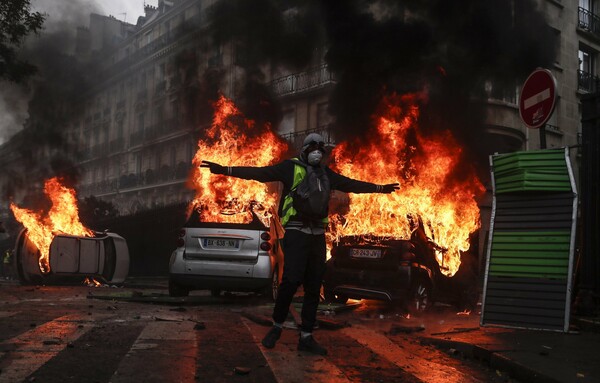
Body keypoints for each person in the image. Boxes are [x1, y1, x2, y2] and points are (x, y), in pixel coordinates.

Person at [201, 133, 399, 355]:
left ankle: (306, 336)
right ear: (304, 150)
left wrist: (380, 188)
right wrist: (225, 170)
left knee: (314, 284)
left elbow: (351, 184)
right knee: (291, 280)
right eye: (313, 147)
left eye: (320, 149)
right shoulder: (289, 168)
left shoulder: (325, 174)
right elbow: (259, 174)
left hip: (317, 235)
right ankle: (276, 326)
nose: (317, 152)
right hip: (296, 232)